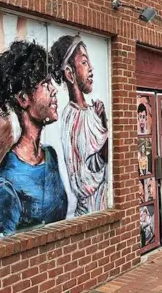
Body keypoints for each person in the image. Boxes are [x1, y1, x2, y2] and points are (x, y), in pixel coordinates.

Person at [0, 41, 67, 241]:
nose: (54, 90)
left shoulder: (50, 156)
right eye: (45, 84)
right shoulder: (6, 186)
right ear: (23, 98)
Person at [51, 35, 109, 216]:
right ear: (69, 74)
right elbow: (82, 180)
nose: (91, 68)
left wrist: (103, 120)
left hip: (104, 202)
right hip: (90, 211)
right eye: (84, 62)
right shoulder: (71, 118)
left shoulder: (93, 111)